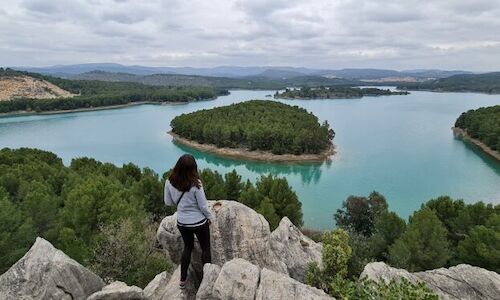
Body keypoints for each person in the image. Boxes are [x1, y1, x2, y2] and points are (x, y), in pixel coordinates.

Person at [164, 154, 214, 289]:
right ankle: (207, 279)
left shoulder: (170, 181)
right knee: (205, 248)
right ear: (193, 168)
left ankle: (182, 279)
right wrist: (210, 217)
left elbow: (168, 202)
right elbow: (203, 206)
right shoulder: (196, 184)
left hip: (182, 223)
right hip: (199, 223)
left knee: (188, 248)